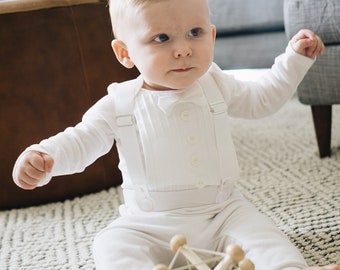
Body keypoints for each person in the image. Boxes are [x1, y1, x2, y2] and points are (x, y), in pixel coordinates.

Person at [12, 0, 339, 269]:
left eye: (194, 33)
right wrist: (46, 157)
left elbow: (262, 98)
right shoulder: (119, 103)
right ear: (125, 53)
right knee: (111, 245)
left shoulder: (215, 82)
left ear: (211, 36)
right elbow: (81, 140)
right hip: (148, 223)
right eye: (162, 38)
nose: (183, 49)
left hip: (223, 212)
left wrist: (293, 61)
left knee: (265, 237)